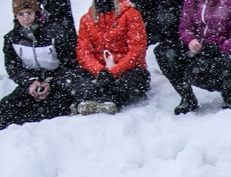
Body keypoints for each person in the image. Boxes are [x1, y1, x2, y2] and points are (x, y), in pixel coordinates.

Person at [2, 0, 85, 129]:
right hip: (31, 84)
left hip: (57, 83)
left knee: (51, 108)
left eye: (29, 13)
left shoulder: (54, 33)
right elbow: (13, 68)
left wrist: (51, 83)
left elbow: (69, 64)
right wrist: (30, 82)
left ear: (36, 12)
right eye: (21, 14)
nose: (26, 18)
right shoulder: (12, 39)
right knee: (6, 108)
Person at [167, 0, 231, 113]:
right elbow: (185, 28)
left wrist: (222, 47)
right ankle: (187, 98)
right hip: (201, 49)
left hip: (228, 55)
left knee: (195, 72)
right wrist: (190, 40)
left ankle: (226, 88)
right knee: (164, 52)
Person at [75, 0, 151, 115]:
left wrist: (112, 73)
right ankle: (97, 98)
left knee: (138, 77)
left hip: (127, 70)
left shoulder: (131, 15)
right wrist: (100, 71)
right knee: (75, 75)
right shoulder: (86, 20)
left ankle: (105, 98)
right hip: (99, 72)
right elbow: (84, 53)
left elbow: (136, 52)